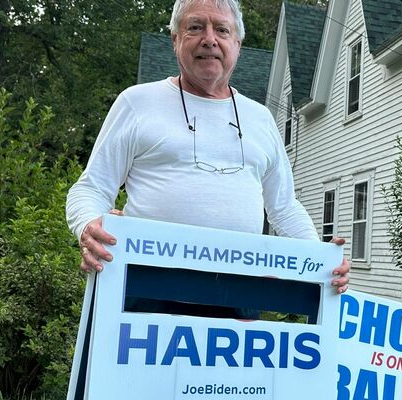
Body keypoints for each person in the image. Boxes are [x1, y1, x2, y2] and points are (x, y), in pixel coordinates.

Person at [66, 0, 349, 295]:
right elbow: (91, 189)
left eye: (222, 30)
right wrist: (89, 226)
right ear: (176, 39)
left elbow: (284, 207)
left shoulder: (261, 118)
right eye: (196, 27)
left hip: (239, 290)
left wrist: (321, 260)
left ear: (237, 43)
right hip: (145, 286)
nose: (210, 39)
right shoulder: (136, 103)